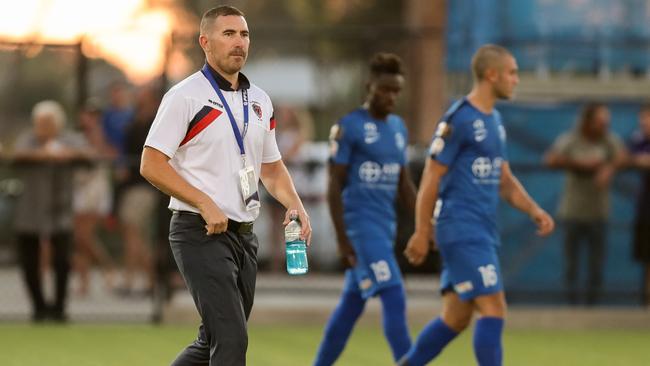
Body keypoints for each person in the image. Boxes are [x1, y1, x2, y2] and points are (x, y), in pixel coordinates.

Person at [140, 6, 312, 365]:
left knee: (212, 342)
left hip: (244, 237)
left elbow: (273, 168)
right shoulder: (185, 96)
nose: (239, 42)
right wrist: (203, 202)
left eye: (244, 34)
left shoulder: (260, 101)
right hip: (198, 231)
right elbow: (151, 164)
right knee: (232, 340)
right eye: (228, 34)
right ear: (205, 42)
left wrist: (294, 203)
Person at [399, 45, 555, 366]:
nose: (516, 80)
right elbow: (431, 176)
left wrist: (534, 209)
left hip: (482, 230)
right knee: (494, 306)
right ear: (491, 74)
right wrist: (421, 229)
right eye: (512, 72)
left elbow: (504, 179)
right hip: (461, 228)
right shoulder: (460, 119)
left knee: (456, 317)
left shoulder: (495, 120)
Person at [313, 53, 417, 365]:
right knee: (394, 295)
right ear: (369, 86)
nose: (391, 97)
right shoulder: (350, 127)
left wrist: (426, 226)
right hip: (360, 228)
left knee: (350, 307)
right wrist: (343, 238)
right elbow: (334, 185)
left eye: (397, 91)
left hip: (384, 229)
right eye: (386, 89)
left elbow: (404, 184)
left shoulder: (398, 128)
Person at [12, 100, 90, 322]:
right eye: (40, 123)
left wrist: (68, 154)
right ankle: (38, 307)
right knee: (29, 259)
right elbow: (17, 155)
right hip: (30, 209)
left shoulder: (69, 139)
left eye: (47, 122)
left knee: (62, 260)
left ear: (58, 123)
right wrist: (43, 155)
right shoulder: (28, 139)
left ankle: (58, 309)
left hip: (60, 210)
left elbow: (89, 155)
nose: (43, 127)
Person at [545, 102, 625, 305]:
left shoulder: (609, 141)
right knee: (571, 265)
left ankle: (592, 308)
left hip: (598, 212)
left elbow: (624, 156)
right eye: (600, 121)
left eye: (606, 121)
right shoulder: (571, 140)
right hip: (572, 211)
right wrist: (581, 165)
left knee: (596, 265)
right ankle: (572, 308)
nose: (604, 125)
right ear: (589, 121)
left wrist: (609, 168)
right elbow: (550, 159)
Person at [72, 102, 116, 296]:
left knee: (85, 235)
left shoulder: (99, 133)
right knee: (80, 238)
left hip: (94, 188)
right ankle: (84, 282)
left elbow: (105, 155)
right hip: (80, 187)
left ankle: (109, 268)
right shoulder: (77, 136)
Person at [626, 103, 650, 306]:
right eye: (643, 119)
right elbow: (626, 157)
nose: (645, 123)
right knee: (646, 260)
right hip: (645, 209)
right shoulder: (638, 139)